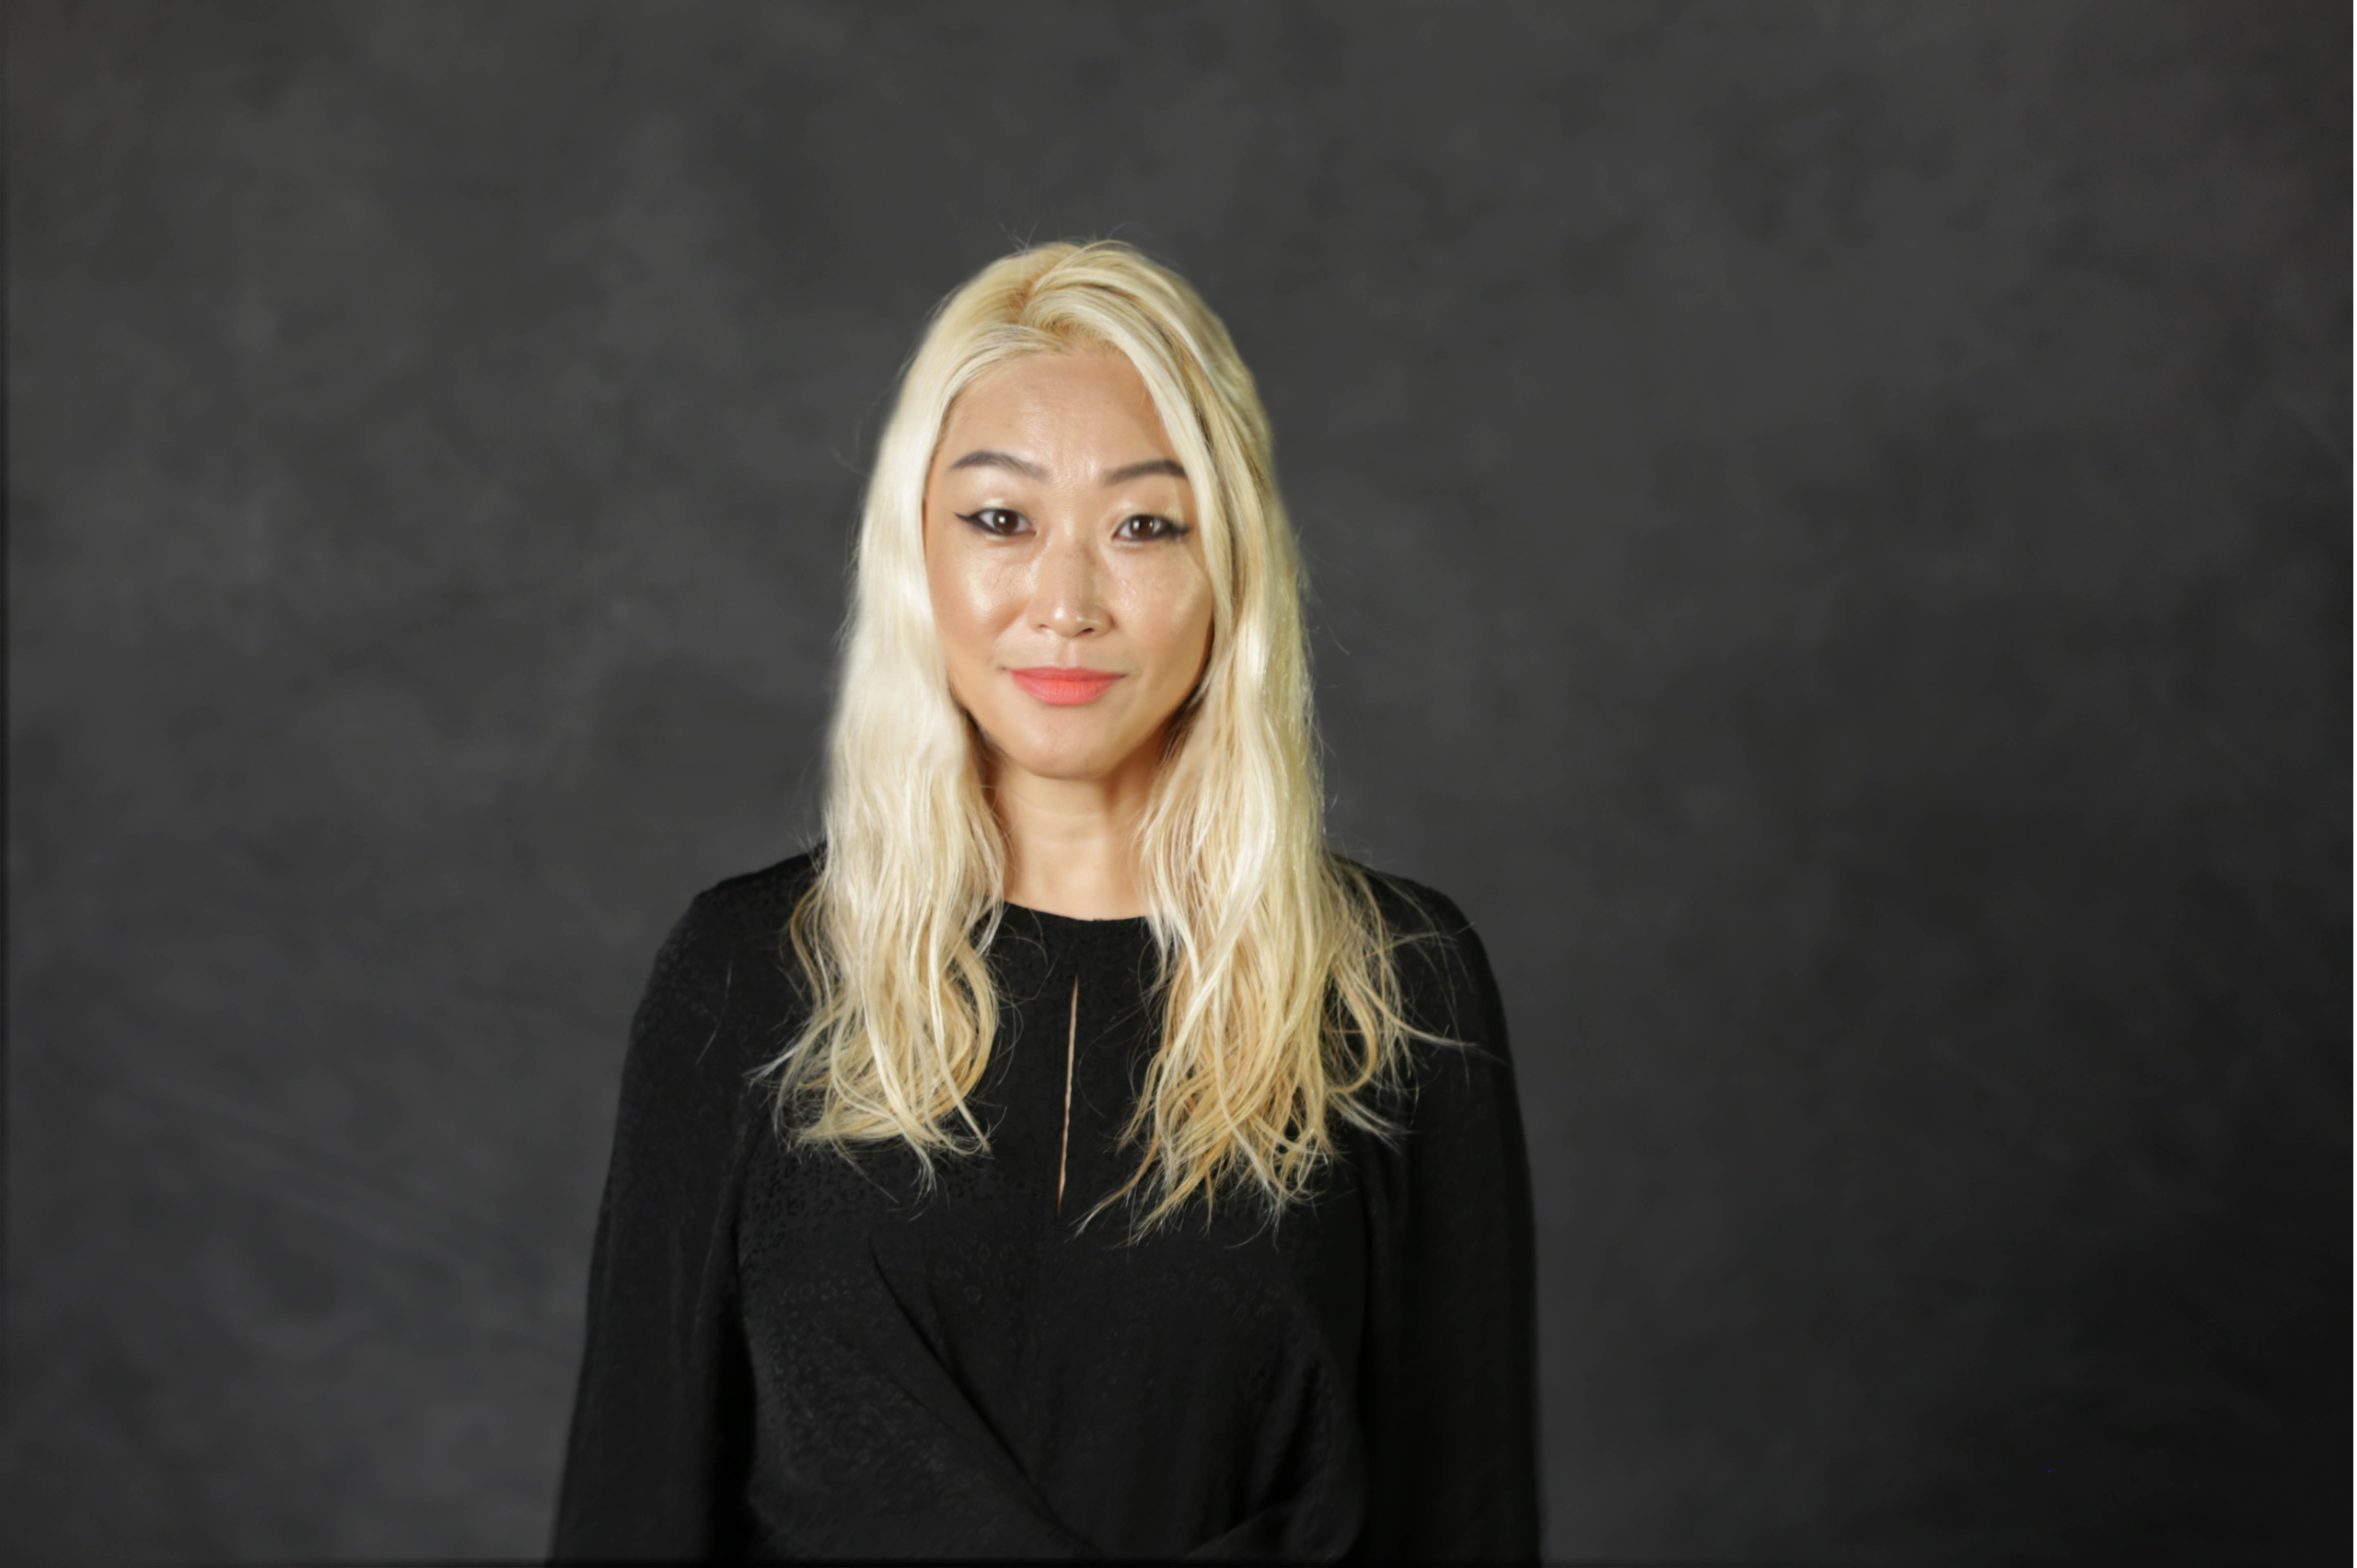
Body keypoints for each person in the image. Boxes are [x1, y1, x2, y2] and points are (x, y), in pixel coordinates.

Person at [551, 241, 1539, 1562]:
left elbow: (1467, 1517)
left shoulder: (1395, 979)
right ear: (915, 553)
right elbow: (631, 1506)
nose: (1066, 605)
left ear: (1230, 565)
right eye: (1002, 520)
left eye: (1144, 526)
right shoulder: (749, 969)